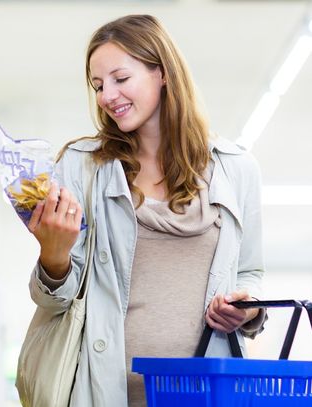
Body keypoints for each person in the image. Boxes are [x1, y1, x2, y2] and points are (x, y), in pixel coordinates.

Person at [25, 14, 267, 407]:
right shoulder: (82, 166)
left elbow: (250, 273)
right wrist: (53, 255)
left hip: (206, 394)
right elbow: (56, 303)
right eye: (99, 85)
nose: (107, 96)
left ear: (163, 73)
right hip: (105, 392)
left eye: (121, 79)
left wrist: (247, 310)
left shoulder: (236, 168)